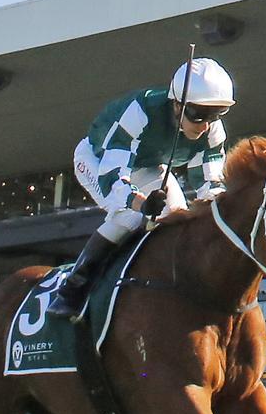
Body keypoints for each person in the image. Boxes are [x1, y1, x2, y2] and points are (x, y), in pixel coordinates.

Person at [47, 58, 235, 319]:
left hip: (148, 165)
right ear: (177, 105)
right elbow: (112, 177)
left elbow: (209, 185)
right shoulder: (140, 112)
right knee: (130, 216)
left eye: (215, 115)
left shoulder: (212, 131)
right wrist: (141, 203)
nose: (205, 125)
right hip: (99, 161)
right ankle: (72, 289)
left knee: (176, 215)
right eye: (199, 115)